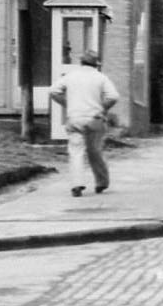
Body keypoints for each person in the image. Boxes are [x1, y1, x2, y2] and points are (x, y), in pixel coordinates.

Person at [50, 50, 121, 197]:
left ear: (81, 62)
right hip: (94, 119)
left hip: (74, 118)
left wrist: (67, 104)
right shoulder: (100, 77)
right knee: (95, 151)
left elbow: (53, 91)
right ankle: (101, 182)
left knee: (76, 152)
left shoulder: (70, 76)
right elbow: (113, 96)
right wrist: (102, 108)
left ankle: (77, 185)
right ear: (96, 64)